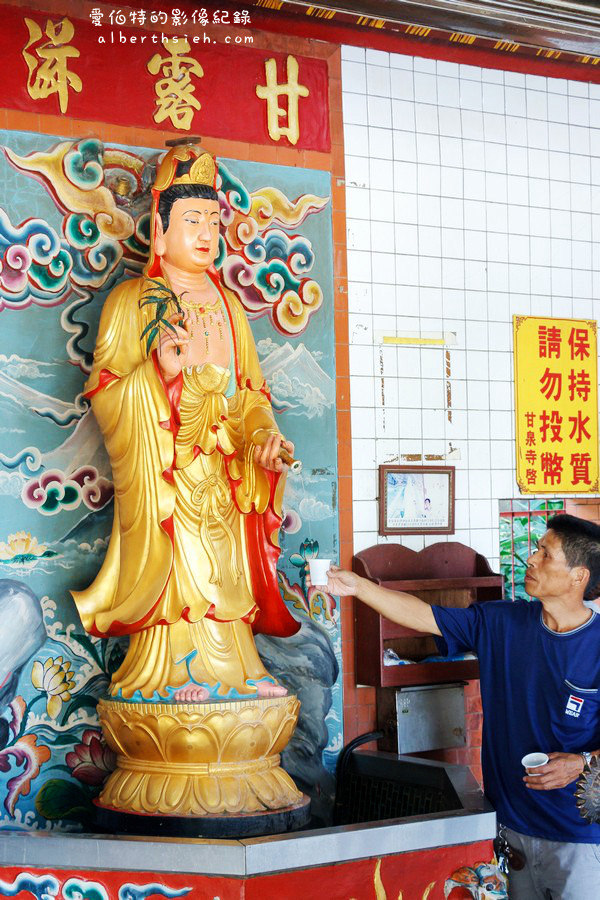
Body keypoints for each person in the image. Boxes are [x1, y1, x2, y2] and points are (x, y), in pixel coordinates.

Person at [72, 142, 299, 703]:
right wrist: (157, 378)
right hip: (168, 472)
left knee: (225, 566)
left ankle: (236, 667)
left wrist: (264, 440)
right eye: (192, 219)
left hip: (224, 468)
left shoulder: (230, 309)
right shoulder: (132, 301)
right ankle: (173, 670)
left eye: (215, 222)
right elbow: (105, 395)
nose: (206, 233)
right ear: (161, 225)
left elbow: (250, 395)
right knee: (181, 563)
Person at [327, 514, 600, 899]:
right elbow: (424, 615)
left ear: (578, 577)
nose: (532, 559)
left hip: (580, 838)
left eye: (545, 553)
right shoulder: (501, 622)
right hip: (510, 829)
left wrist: (582, 763)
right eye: (536, 549)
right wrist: (358, 587)